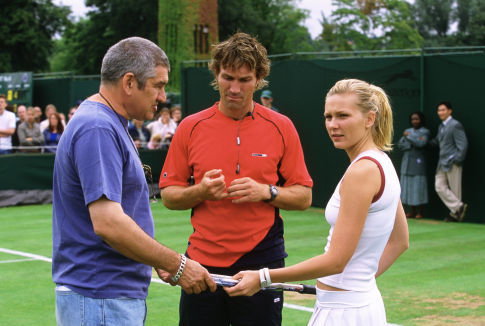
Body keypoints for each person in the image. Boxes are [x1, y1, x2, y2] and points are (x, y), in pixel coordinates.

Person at [52, 36, 216, 326]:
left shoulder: (106, 122)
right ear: (129, 82)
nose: (163, 97)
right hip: (101, 299)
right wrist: (176, 264)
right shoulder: (98, 127)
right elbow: (109, 223)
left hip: (104, 298)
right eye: (159, 85)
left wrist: (155, 260)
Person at [225, 79, 409, 326]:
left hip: (343, 313)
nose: (333, 125)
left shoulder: (362, 172)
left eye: (343, 116)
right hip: (358, 304)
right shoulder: (381, 162)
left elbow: (336, 261)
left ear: (369, 119)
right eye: (328, 116)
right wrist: (359, 283)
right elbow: (400, 241)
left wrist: (263, 277)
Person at [158, 32, 313, 326]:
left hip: (262, 261)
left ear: (260, 78)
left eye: (244, 80)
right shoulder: (191, 127)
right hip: (202, 265)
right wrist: (201, 191)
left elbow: (304, 196)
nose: (234, 88)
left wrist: (267, 191)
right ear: (216, 74)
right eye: (228, 77)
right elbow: (169, 195)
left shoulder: (282, 127)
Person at [431, 101, 468, 222]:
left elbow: (463, 145)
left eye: (443, 110)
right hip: (441, 163)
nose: (440, 112)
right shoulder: (441, 126)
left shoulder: (455, 125)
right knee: (439, 186)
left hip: (453, 162)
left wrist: (457, 159)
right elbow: (438, 141)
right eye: (439, 110)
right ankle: (459, 207)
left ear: (449, 111)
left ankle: (455, 215)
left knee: (455, 190)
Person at [397, 111, 430, 219]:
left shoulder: (425, 131)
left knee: (418, 186)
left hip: (418, 164)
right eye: (413, 119)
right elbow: (401, 145)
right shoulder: (408, 131)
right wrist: (412, 143)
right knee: (408, 187)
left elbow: (421, 143)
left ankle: (419, 212)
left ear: (421, 120)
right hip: (407, 163)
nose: (415, 121)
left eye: (417, 119)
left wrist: (410, 138)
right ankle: (411, 211)